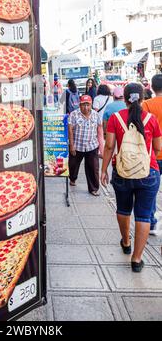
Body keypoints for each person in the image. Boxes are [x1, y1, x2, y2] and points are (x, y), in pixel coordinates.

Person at [101, 83, 162, 272]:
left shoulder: (115, 118)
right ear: (143, 98)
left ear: (124, 99)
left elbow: (109, 146)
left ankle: (126, 242)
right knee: (143, 215)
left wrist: (103, 170)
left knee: (123, 209)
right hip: (148, 171)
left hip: (122, 171)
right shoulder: (151, 119)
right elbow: (158, 148)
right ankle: (136, 260)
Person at [68, 95, 104, 196]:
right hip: (77, 145)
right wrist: (71, 145)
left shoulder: (96, 115)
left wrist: (101, 149)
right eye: (83, 105)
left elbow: (100, 132)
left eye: (88, 104)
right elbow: (70, 130)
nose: (86, 107)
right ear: (79, 105)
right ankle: (73, 178)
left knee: (93, 168)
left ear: (91, 104)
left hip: (92, 146)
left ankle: (94, 188)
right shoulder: (74, 114)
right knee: (73, 165)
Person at [143, 74, 162, 235]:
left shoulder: (147, 104)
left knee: (151, 191)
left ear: (152, 87)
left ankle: (151, 222)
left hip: (153, 153)